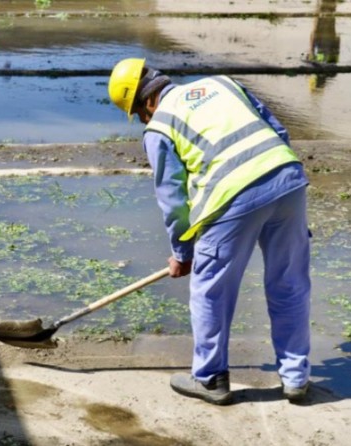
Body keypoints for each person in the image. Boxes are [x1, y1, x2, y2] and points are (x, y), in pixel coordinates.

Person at [107, 58, 312, 405]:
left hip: (232, 197)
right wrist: (283, 190)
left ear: (148, 103)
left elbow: (172, 199)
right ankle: (296, 379)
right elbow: (277, 131)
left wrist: (183, 253)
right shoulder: (223, 83)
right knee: (289, 282)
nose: (145, 121)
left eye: (141, 115)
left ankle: (210, 378)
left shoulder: (160, 127)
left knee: (210, 290)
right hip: (287, 178)